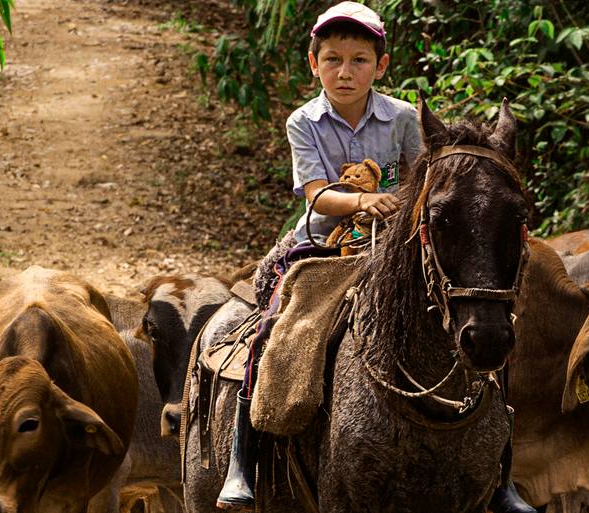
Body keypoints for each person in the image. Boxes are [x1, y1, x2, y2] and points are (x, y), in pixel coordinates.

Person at [217, 3, 534, 512]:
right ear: (314, 64)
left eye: (359, 60)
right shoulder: (304, 122)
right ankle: (242, 458)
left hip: (393, 244)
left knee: (480, 323)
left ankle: (502, 474)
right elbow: (317, 195)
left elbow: (425, 182)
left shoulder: (405, 117)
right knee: (274, 324)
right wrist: (364, 201)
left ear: (380, 66)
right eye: (333, 60)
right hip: (323, 243)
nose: (345, 72)